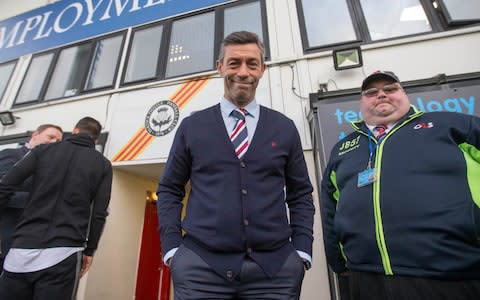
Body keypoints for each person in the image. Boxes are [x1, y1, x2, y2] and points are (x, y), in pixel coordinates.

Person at [157, 31, 315, 300]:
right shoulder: (192, 127)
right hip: (200, 270)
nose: (243, 72)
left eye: (252, 63)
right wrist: (172, 248)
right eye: (234, 63)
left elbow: (300, 194)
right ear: (220, 67)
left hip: (275, 272)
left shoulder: (284, 128)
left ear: (262, 69)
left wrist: (301, 250)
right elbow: (170, 189)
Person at [320, 70, 480, 299]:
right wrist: (338, 263)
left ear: (404, 94)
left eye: (390, 89)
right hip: (366, 279)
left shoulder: (451, 125)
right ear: (361, 102)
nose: (381, 95)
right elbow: (330, 208)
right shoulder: (343, 148)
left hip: (454, 274)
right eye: (371, 92)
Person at [0, 117, 112, 300]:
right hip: (64, 252)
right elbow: (99, 213)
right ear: (96, 140)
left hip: (21, 249)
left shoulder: (42, 151)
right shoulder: (103, 164)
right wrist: (90, 250)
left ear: (74, 130)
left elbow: (4, 186)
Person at [0, 124, 63, 269]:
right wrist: (38, 201)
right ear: (35, 135)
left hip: (28, 246)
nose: (54, 142)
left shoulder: (50, 167)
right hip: (5, 237)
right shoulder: (11, 155)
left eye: (58, 141)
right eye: (51, 137)